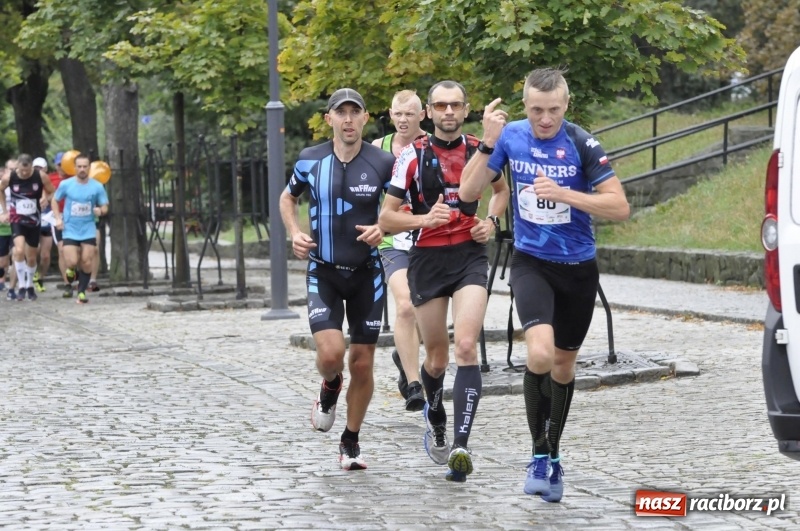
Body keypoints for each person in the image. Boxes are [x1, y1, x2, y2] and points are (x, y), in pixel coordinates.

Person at [459, 67, 630, 501]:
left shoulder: (581, 142)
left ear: (565, 105)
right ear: (525, 105)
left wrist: (566, 194)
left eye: (553, 110)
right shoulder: (511, 136)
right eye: (536, 109)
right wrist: (487, 141)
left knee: (563, 366)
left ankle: (553, 455)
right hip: (531, 261)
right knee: (539, 352)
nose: (545, 119)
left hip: (578, 268)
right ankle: (537, 454)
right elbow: (467, 192)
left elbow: (619, 206)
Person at [378, 80, 509, 482]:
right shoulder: (412, 157)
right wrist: (423, 219)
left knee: (466, 346)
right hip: (427, 259)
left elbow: (501, 192)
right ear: (429, 113)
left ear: (466, 109)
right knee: (436, 358)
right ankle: (435, 413)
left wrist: (489, 221)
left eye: (455, 105)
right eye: (440, 105)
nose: (448, 112)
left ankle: (461, 445)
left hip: (469, 256)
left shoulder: (479, 149)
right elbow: (387, 218)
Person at [279, 88, 395, 471]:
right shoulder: (310, 160)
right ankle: (330, 386)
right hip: (324, 271)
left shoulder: (384, 162)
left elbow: (402, 208)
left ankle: (351, 440)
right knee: (331, 355)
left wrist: (383, 228)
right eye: (340, 112)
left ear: (365, 119)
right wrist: (294, 232)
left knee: (362, 364)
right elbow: (287, 198)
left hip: (367, 275)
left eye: (355, 112)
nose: (348, 119)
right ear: (328, 119)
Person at [371, 89, 428, 412]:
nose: (403, 119)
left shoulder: (433, 147)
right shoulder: (377, 149)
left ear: (422, 115)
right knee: (405, 306)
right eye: (398, 113)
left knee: (424, 309)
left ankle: (402, 352)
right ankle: (413, 383)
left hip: (428, 238)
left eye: (410, 113)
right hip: (393, 241)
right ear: (390, 115)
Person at [52, 154, 109, 304]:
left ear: (89, 168)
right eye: (80, 166)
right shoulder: (66, 184)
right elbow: (55, 200)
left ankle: (81, 292)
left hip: (88, 228)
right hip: (70, 227)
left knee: (87, 261)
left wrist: (101, 211)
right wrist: (58, 218)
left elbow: (105, 205)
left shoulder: (97, 186)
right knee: (71, 261)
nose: (82, 169)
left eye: (85, 166)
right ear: (75, 167)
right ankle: (71, 271)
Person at [0, 154, 57, 302]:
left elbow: (53, 191)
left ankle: (30, 284)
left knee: (31, 257)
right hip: (17, 219)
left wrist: (46, 198)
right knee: (18, 250)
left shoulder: (41, 176)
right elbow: (0, 189)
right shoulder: (9, 177)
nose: (24, 174)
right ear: (18, 166)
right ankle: (22, 286)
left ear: (31, 167)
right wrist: (5, 210)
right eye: (21, 171)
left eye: (27, 171)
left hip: (34, 220)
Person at [32, 157, 54, 292]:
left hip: (46, 220)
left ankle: (40, 277)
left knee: (45, 255)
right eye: (36, 168)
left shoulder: (49, 183)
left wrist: (47, 198)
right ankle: (31, 272)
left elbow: (56, 194)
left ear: (45, 169)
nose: (38, 171)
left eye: (41, 168)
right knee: (34, 250)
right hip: (32, 221)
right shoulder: (27, 183)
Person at [0, 159, 16, 295]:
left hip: (18, 227)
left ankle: (13, 288)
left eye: (15, 169)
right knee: (3, 261)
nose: (13, 172)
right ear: (5, 171)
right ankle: (2, 278)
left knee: (17, 253)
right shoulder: (1, 187)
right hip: (2, 228)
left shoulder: (22, 186)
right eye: (11, 169)